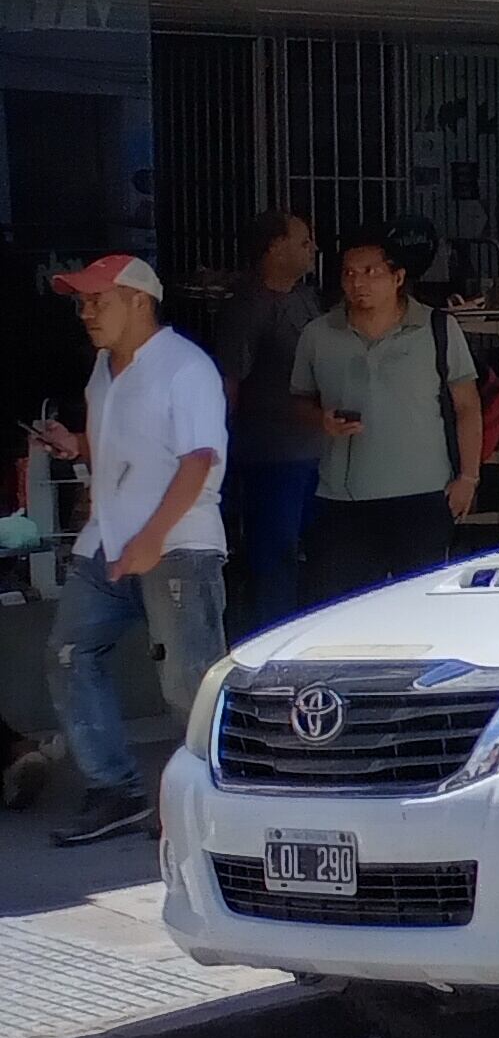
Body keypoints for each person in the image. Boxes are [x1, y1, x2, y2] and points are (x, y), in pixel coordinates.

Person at [36, 255, 229, 847]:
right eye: (83, 302)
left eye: (99, 300)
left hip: (177, 545)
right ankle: (114, 790)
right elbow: (122, 450)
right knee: (69, 655)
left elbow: (200, 459)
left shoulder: (185, 367)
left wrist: (151, 538)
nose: (87, 312)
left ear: (140, 301)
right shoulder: (104, 368)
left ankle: (219, 803)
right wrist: (78, 447)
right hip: (108, 541)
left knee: (188, 682)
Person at [292, 232, 485, 604]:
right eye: (348, 273)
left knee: (419, 606)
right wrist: (321, 420)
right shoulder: (317, 335)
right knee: (342, 609)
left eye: (370, 272)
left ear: (397, 278)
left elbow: (468, 407)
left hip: (423, 496)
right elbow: (298, 401)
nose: (358, 282)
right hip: (343, 499)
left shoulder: (437, 329)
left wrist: (468, 478)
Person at [205, 209, 321, 629]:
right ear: (275, 247)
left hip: (317, 448)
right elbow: (229, 384)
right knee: (274, 557)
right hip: (271, 453)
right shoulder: (247, 308)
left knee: (319, 552)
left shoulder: (306, 298)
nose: (312, 250)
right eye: (304, 241)